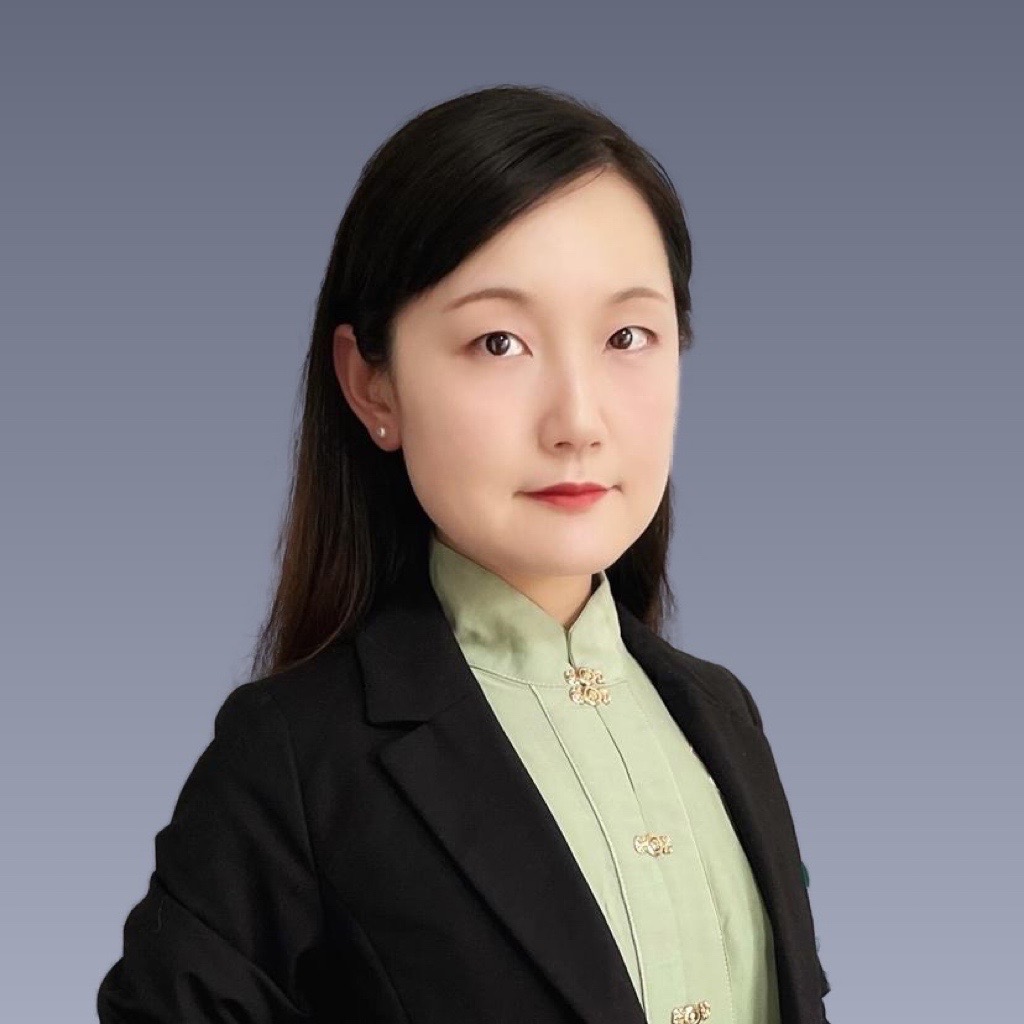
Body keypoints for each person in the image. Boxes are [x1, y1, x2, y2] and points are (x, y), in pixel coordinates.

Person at [97, 83, 832, 1024]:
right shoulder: (294, 761)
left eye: (628, 336)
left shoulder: (722, 714)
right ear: (373, 385)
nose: (578, 421)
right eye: (498, 342)